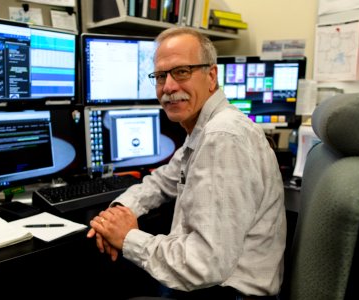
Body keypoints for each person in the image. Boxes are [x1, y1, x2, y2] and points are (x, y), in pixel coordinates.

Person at [87, 27, 286, 300]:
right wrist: (120, 211)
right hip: (209, 285)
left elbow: (204, 264)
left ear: (211, 76)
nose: (168, 86)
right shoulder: (205, 129)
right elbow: (161, 182)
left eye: (181, 71)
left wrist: (128, 237)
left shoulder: (222, 137)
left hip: (224, 293)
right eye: (160, 76)